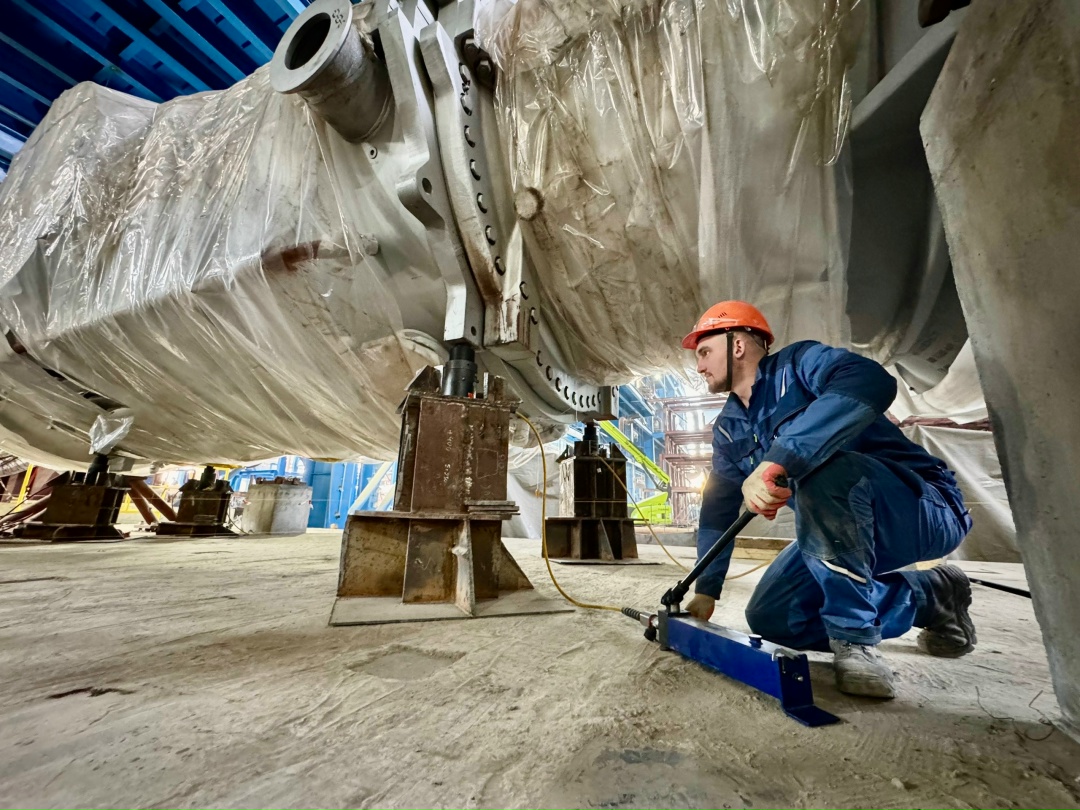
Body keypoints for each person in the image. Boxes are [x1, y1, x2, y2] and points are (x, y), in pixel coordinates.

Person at [682, 301, 976, 698]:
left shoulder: (801, 365)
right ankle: (931, 597)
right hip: (841, 531)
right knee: (774, 616)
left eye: (704, 351)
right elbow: (718, 510)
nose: (699, 366)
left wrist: (778, 459)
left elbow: (869, 381)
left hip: (920, 510)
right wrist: (706, 588)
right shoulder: (730, 429)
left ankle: (855, 641)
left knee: (821, 469)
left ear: (737, 346)